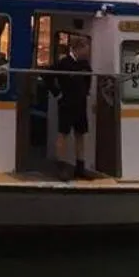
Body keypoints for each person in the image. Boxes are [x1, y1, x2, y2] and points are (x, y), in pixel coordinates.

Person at [50, 36, 93, 178]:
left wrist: (85, 92)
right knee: (63, 134)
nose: (87, 52)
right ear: (77, 48)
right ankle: (61, 167)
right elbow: (47, 76)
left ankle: (80, 167)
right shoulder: (64, 63)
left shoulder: (85, 64)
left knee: (80, 134)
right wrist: (58, 93)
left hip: (80, 104)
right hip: (67, 103)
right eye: (85, 48)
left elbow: (88, 78)